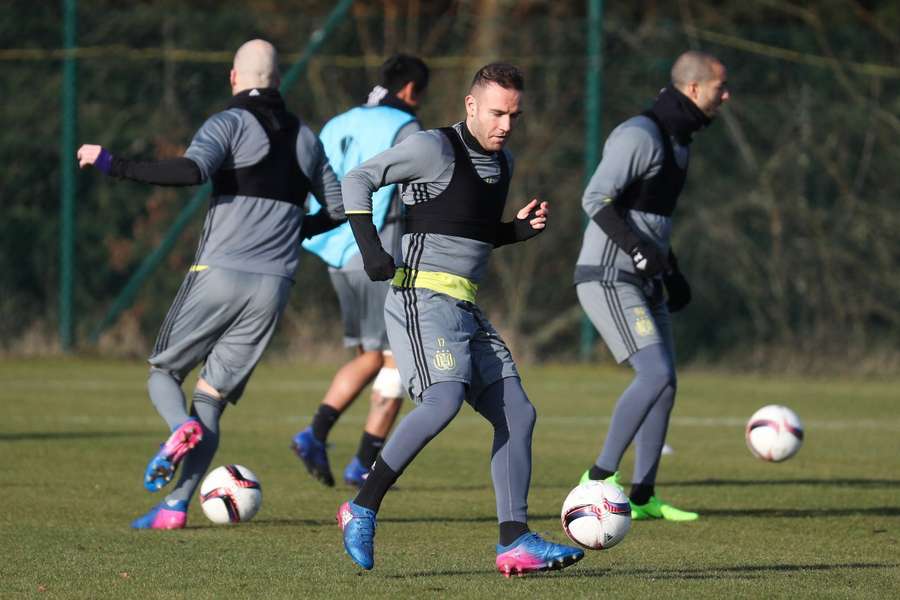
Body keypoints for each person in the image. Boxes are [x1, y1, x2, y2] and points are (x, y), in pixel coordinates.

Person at [76, 39, 345, 529]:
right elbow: (338, 207)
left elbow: (191, 170)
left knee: (163, 372)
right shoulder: (307, 136)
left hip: (220, 273)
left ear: (233, 78)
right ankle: (175, 508)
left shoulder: (228, 122)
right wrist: (295, 229)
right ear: (278, 80)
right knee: (212, 399)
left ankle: (179, 430)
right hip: (274, 287)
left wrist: (115, 164)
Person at [334, 63, 584, 576]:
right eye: (497, 112)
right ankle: (360, 507)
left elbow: (467, 232)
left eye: (514, 114)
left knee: (518, 412)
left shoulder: (503, 163)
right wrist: (370, 248)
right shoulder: (432, 147)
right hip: (420, 298)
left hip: (466, 306)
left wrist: (513, 232)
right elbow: (358, 178)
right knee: (443, 398)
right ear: (471, 106)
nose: (506, 124)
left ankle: (514, 541)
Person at [573, 50, 730, 521]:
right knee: (654, 373)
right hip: (608, 275)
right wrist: (638, 251)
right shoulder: (639, 134)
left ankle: (642, 497)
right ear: (695, 89)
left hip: (644, 277)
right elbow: (594, 198)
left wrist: (671, 268)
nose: (727, 95)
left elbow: (652, 220)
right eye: (721, 86)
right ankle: (597, 479)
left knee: (666, 384)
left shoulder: (681, 141)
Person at [291, 55, 429, 488]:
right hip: (379, 252)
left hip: (336, 251)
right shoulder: (405, 128)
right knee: (400, 359)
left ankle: (315, 435)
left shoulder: (338, 122)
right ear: (410, 90)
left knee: (370, 354)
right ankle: (364, 460)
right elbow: (420, 192)